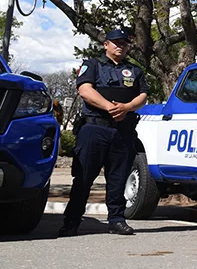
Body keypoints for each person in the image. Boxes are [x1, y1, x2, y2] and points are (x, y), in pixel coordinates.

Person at [58, 29, 149, 237]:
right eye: (116, 42)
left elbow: (143, 96)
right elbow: (85, 91)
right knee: (83, 178)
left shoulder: (135, 71)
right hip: (94, 128)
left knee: (119, 178)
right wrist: (111, 107)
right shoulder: (93, 65)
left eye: (124, 43)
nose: (120, 46)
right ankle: (71, 221)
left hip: (123, 131)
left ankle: (116, 220)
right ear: (106, 44)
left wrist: (126, 108)